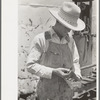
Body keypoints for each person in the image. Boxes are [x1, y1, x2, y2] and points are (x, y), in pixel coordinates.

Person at [26, 2, 85, 100]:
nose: (69, 31)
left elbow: (75, 62)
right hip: (47, 93)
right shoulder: (42, 39)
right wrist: (53, 72)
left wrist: (76, 76)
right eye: (67, 27)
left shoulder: (70, 41)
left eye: (71, 28)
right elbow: (30, 65)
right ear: (58, 21)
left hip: (66, 94)